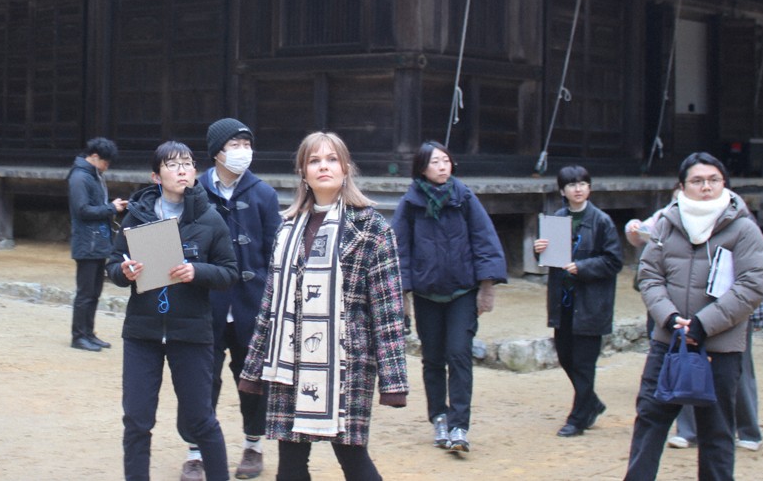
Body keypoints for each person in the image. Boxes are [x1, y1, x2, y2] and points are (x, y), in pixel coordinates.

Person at [237, 131, 408, 481]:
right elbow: (269, 307)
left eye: (332, 159)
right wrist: (253, 370)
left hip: (347, 361)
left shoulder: (373, 228)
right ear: (303, 171)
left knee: (353, 460)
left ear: (346, 168)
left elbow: (388, 310)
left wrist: (393, 381)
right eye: (314, 160)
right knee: (290, 463)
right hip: (290, 361)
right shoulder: (287, 229)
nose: (323, 167)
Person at [624, 152, 763, 481]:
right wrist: (668, 316)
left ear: (724, 184)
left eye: (713, 180)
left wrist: (704, 324)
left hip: (719, 347)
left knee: (716, 430)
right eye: (697, 181)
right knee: (649, 419)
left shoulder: (743, 228)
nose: (706, 187)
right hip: (669, 340)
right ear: (682, 186)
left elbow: (753, 283)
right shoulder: (665, 223)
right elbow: (649, 275)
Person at [107, 140, 238, 481]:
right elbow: (112, 264)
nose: (182, 170)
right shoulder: (136, 217)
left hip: (191, 331)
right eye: (172, 165)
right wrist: (124, 272)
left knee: (201, 419)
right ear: (156, 176)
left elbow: (229, 272)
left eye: (187, 164)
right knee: (137, 420)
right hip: (142, 332)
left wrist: (197, 271)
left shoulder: (211, 219)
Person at [179, 118, 281, 480]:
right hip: (203, 304)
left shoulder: (264, 194)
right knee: (199, 380)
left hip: (251, 305)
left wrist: (273, 300)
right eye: (235, 144)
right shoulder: (193, 192)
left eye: (246, 144)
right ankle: (195, 452)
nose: (243, 151)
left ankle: (253, 446)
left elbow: (274, 254)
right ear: (217, 152)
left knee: (251, 378)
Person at [390, 140, 507, 453]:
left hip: (462, 292)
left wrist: (487, 286)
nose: (443, 167)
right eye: (435, 162)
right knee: (433, 359)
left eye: (446, 161)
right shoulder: (411, 203)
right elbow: (399, 250)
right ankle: (438, 417)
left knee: (458, 354)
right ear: (422, 168)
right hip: (428, 295)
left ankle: (459, 424)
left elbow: (485, 241)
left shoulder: (464, 197)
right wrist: (402, 295)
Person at [533, 165, 623, 437]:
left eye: (583, 183)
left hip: (592, 302)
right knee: (566, 357)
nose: (578, 188)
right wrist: (540, 250)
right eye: (572, 185)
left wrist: (582, 267)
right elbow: (550, 260)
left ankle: (578, 417)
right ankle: (592, 403)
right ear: (563, 191)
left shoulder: (602, 221)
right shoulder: (557, 219)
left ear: (589, 187)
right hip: (565, 301)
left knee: (584, 362)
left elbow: (614, 260)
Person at [67, 137, 128, 351]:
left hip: (97, 241)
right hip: (87, 243)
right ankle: (78, 336)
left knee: (94, 292)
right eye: (105, 162)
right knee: (85, 293)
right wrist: (111, 208)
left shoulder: (93, 176)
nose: (106, 166)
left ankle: (88, 333)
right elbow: (82, 210)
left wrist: (111, 207)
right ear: (94, 157)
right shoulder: (80, 178)